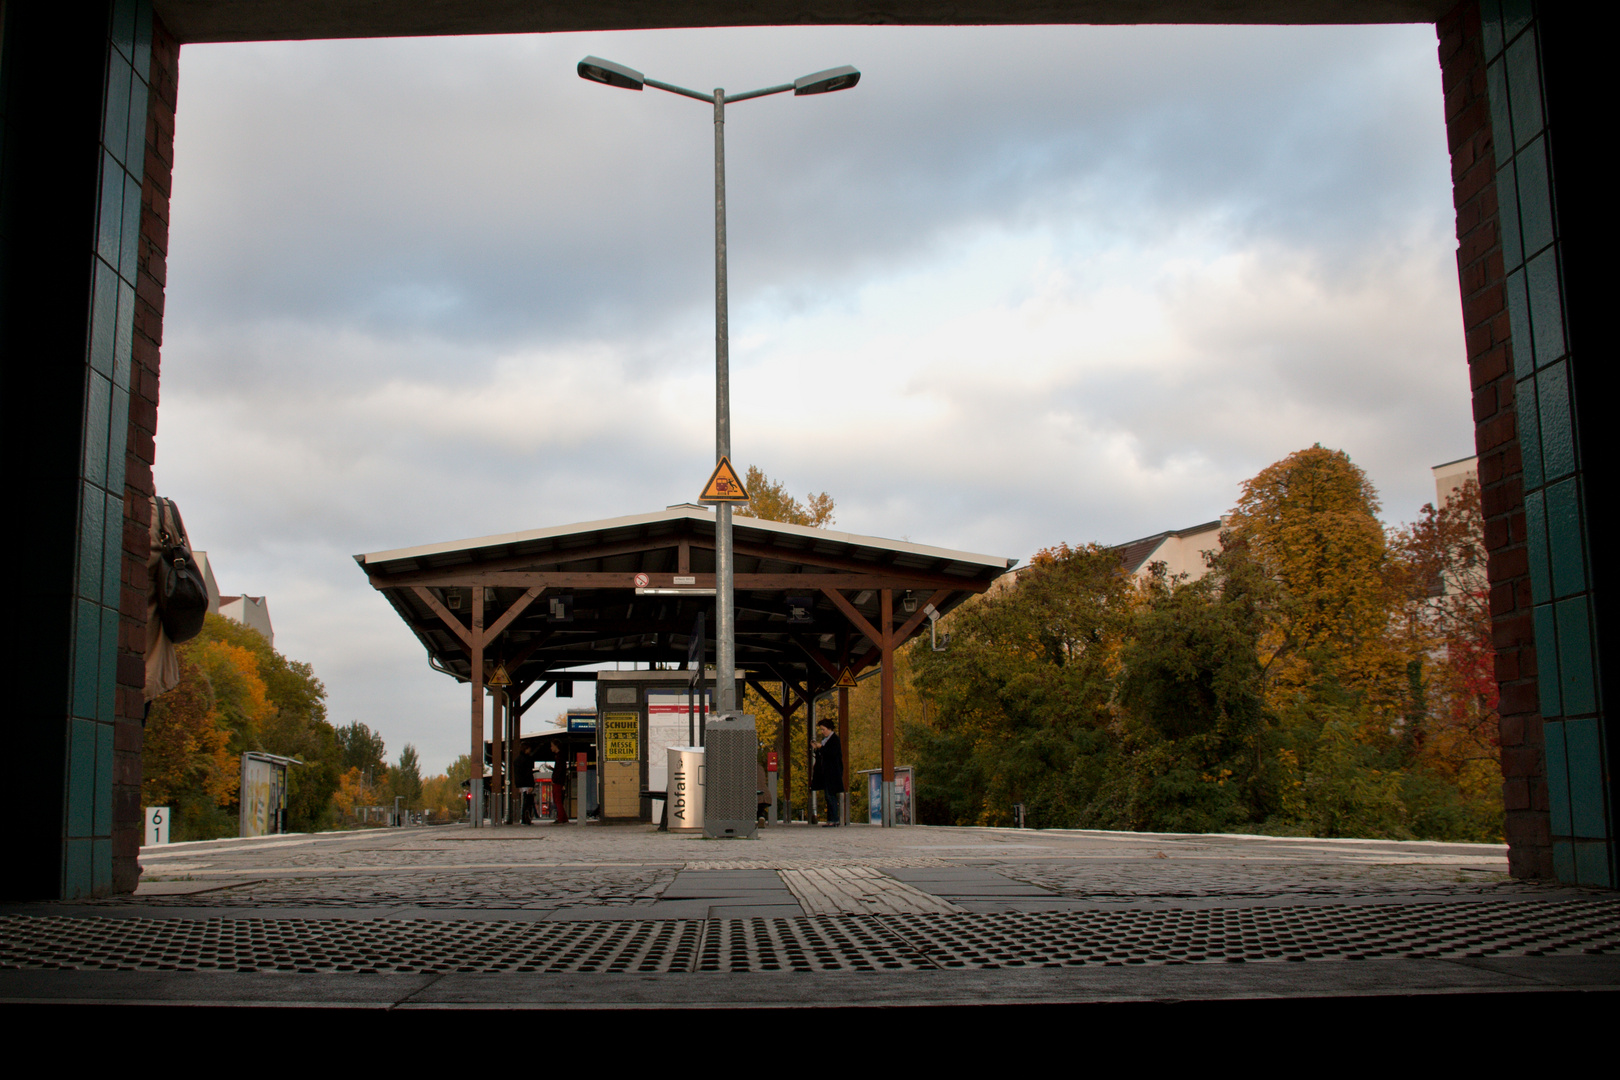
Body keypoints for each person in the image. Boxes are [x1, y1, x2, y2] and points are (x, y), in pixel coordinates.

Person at [811, 719, 844, 827]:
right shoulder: (826, 740)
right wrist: (817, 749)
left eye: (823, 729)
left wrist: (821, 748)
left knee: (831, 796)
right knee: (828, 796)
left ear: (829, 728)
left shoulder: (834, 740)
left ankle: (834, 819)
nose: (822, 732)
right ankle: (831, 819)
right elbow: (822, 754)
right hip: (826, 772)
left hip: (833, 772)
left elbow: (832, 753)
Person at [549, 738, 570, 825]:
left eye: (552, 746)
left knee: (557, 800)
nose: (551, 748)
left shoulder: (559, 756)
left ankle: (561, 818)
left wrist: (554, 779)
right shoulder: (561, 756)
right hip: (560, 781)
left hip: (558, 781)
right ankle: (563, 817)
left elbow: (559, 770)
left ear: (556, 746)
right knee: (558, 800)